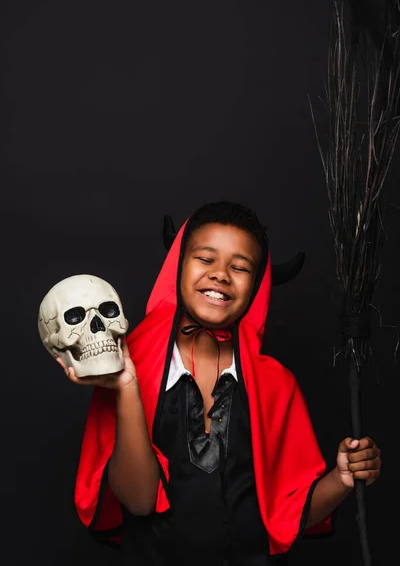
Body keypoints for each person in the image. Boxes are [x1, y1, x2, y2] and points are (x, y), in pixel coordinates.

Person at [56, 201, 381, 565]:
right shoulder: (127, 365)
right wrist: (129, 387)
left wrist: (342, 477)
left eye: (240, 267)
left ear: (257, 284)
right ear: (178, 265)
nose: (221, 275)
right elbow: (138, 501)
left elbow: (287, 519)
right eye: (205, 259)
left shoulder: (276, 385)